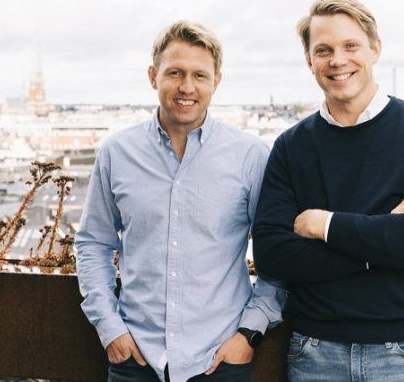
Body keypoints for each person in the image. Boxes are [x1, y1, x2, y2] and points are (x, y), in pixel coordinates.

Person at [252, 0, 404, 381]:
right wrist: (382, 236)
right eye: (323, 50)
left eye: (351, 46)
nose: (337, 60)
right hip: (315, 352)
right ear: (309, 61)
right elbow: (273, 256)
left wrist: (323, 225)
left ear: (375, 49)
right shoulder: (290, 146)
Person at [76, 20, 286, 382]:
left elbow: (278, 253)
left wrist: (250, 332)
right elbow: (93, 242)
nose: (187, 87)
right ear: (153, 76)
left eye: (200, 76)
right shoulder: (117, 153)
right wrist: (110, 328)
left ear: (216, 81)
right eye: (175, 73)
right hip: (136, 359)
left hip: (220, 360)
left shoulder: (250, 156)